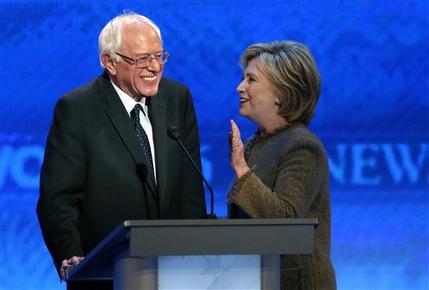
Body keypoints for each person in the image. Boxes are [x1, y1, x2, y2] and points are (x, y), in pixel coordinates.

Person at [36, 12, 207, 290]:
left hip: (174, 273)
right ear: (109, 62)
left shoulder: (177, 98)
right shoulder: (78, 109)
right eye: (141, 59)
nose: (154, 67)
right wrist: (70, 254)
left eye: (159, 56)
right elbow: (58, 198)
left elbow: (190, 191)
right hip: (107, 274)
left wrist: (197, 259)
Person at [228, 41, 336, 290]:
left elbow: (285, 221)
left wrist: (242, 171)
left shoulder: (303, 147)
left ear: (281, 93)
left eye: (251, 80)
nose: (239, 88)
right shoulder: (257, 143)